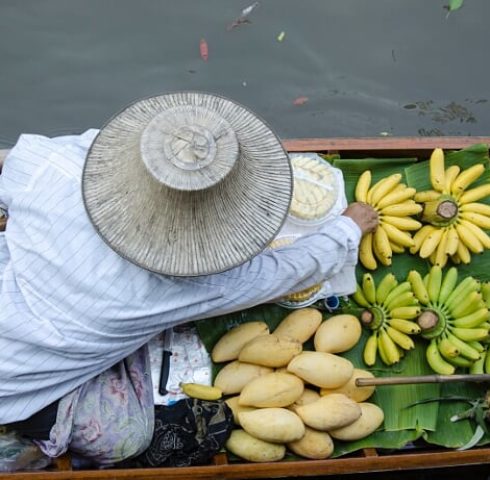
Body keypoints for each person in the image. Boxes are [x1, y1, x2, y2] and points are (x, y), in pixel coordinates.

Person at [0, 92, 378, 466]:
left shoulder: (50, 165)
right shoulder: (186, 286)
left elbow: (14, 166)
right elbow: (285, 271)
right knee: (126, 438)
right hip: (12, 381)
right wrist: (348, 228)